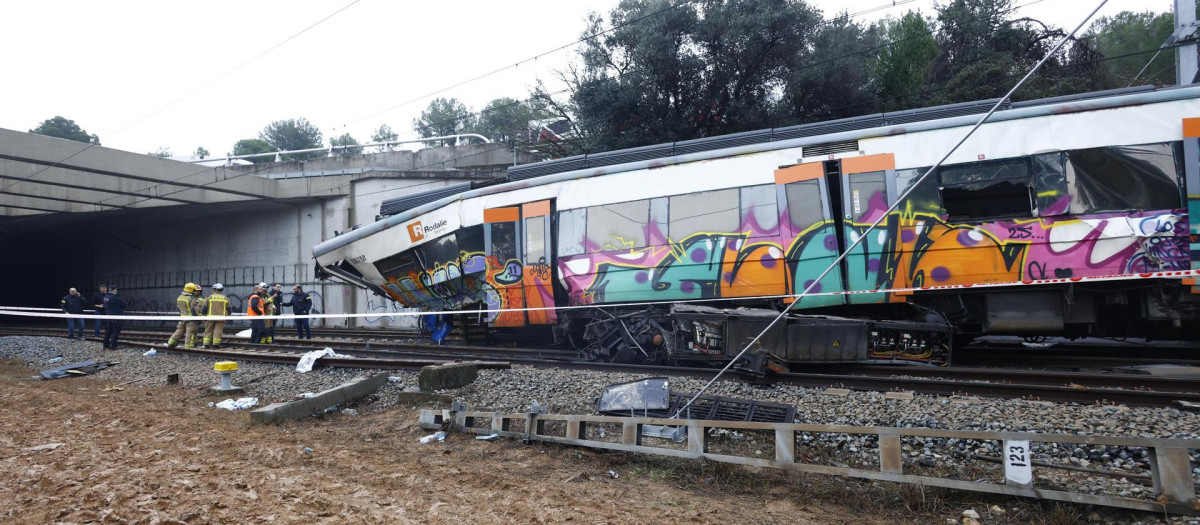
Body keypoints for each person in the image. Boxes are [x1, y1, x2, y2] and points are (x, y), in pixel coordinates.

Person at [167, 283, 204, 349]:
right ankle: (188, 346)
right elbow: (193, 310)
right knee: (190, 332)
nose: (195, 291)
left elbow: (178, 308)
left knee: (179, 331)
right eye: (194, 290)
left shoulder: (179, 297)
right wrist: (197, 319)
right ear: (190, 290)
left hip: (182, 318)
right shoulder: (190, 298)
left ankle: (171, 342)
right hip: (191, 319)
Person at [202, 283, 229, 349]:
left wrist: (204, 315)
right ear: (221, 290)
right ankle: (215, 345)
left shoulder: (209, 297)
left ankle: (206, 344)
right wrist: (228, 315)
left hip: (210, 317)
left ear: (214, 289)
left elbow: (205, 308)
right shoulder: (225, 298)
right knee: (218, 331)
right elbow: (229, 309)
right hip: (221, 318)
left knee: (208, 330)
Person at [102, 285, 126, 350]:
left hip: (109, 316)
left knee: (108, 331)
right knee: (116, 331)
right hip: (116, 316)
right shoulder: (115, 298)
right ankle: (114, 346)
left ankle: (105, 345)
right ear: (115, 290)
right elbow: (124, 305)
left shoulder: (105, 297)